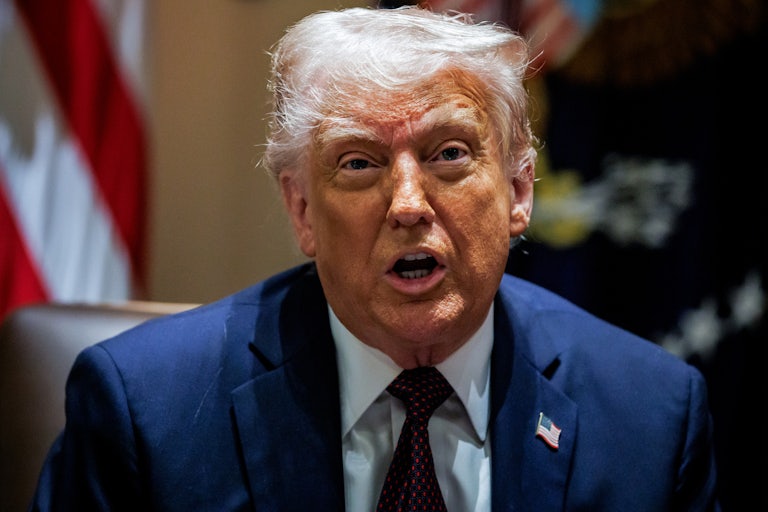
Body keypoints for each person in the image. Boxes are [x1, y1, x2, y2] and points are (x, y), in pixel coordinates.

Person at [29, 6, 719, 511]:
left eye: (450, 154)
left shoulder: (649, 417)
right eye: (359, 163)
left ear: (517, 190)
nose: (408, 204)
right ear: (302, 209)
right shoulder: (148, 412)